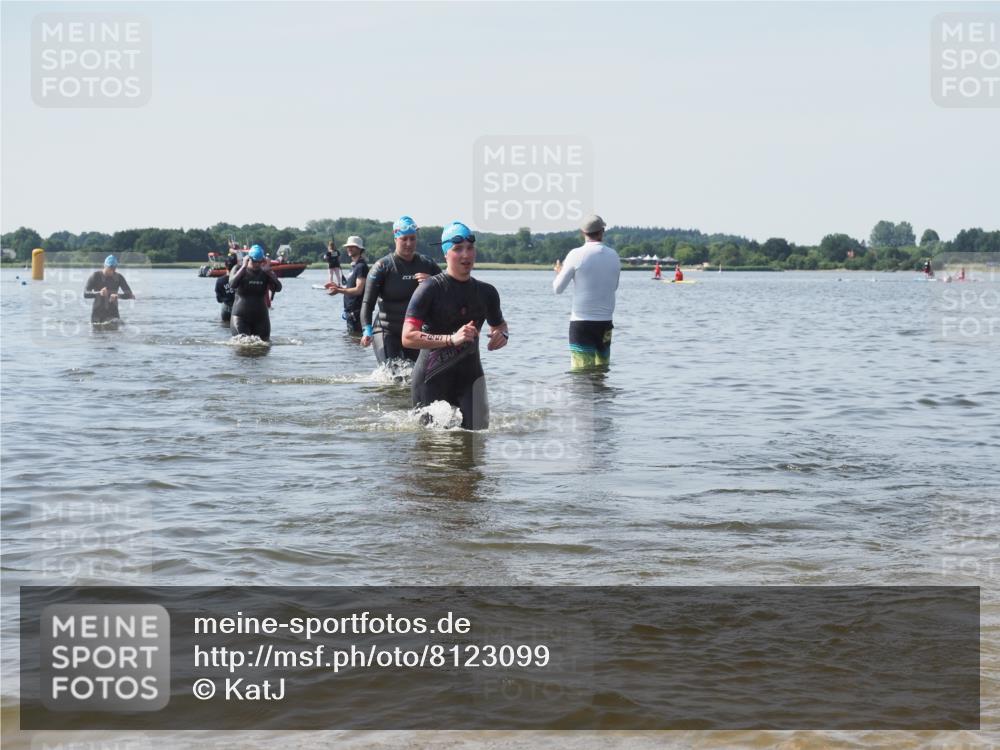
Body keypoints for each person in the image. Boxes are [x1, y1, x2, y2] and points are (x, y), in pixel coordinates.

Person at [402, 221, 508, 430]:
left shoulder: (487, 292)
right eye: (458, 249)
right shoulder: (430, 289)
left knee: (477, 445)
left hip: (471, 379)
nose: (466, 255)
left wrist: (501, 335)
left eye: (470, 248)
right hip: (431, 380)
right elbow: (407, 337)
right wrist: (450, 339)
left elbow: (500, 326)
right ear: (445, 254)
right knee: (432, 455)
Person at [360, 215, 442, 363]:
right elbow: (367, 303)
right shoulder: (382, 267)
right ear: (395, 239)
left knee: (417, 378)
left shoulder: (427, 264)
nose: (409, 243)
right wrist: (367, 330)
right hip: (386, 330)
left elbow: (448, 291)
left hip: (414, 332)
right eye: (404, 239)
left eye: (412, 238)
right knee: (392, 376)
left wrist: (433, 281)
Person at [552, 214, 621, 370]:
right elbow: (614, 287)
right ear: (602, 231)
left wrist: (559, 272)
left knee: (581, 374)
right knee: (602, 370)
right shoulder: (614, 255)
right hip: (605, 323)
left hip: (582, 323)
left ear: (582, 232)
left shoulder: (576, 254)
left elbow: (557, 289)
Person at [229, 244, 281, 341]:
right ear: (248, 259)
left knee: (263, 348)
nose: (257, 264)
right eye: (254, 261)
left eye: (260, 261)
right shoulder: (238, 269)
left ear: (263, 260)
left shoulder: (266, 272)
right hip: (240, 317)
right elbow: (232, 284)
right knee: (242, 347)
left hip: (261, 318)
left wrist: (269, 272)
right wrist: (243, 267)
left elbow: (278, 288)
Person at [327, 236, 368, 334]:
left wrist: (338, 290)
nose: (349, 248)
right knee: (351, 343)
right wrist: (337, 287)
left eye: (352, 246)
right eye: (348, 246)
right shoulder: (354, 266)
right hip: (350, 312)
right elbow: (351, 288)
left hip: (356, 313)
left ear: (359, 249)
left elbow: (359, 290)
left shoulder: (361, 266)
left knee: (355, 342)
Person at [84, 255, 135, 324]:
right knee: (97, 333)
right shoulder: (95, 276)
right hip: (97, 314)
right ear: (105, 266)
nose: (112, 271)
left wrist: (117, 295)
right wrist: (99, 293)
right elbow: (85, 294)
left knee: (116, 332)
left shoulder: (119, 277)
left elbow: (130, 295)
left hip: (113, 314)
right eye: (110, 268)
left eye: (114, 268)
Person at [214, 255, 237, 324]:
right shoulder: (241, 279)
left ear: (225, 265)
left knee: (225, 326)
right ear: (236, 266)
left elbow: (219, 299)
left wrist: (227, 299)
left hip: (226, 309)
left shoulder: (220, 280)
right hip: (239, 308)